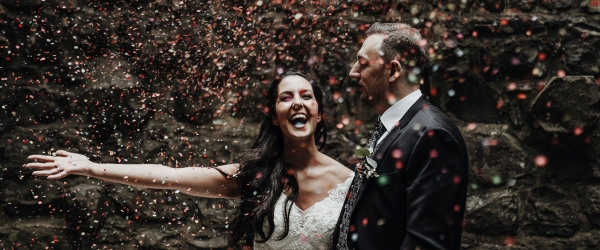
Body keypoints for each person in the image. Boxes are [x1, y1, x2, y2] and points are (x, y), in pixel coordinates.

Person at [25, 71, 354, 249]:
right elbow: (169, 175)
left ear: (319, 113)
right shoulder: (255, 175)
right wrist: (93, 168)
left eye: (306, 96)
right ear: (273, 116)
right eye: (286, 98)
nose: (297, 103)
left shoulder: (351, 182)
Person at [332, 23, 469, 250]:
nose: (353, 72)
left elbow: (426, 243)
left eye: (363, 64)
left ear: (394, 70)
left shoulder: (433, 135)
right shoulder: (392, 127)